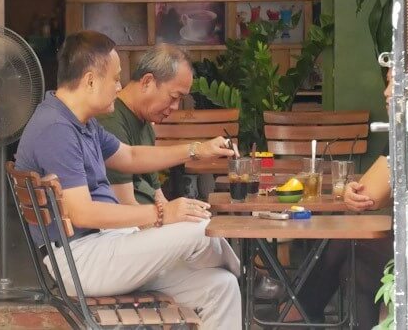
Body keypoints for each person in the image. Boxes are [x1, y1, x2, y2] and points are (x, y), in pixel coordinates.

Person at [14, 31, 241, 330]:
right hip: (82, 260)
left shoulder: (81, 122)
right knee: (199, 228)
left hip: (107, 246)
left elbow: (131, 156)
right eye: (116, 79)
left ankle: (238, 273)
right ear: (91, 80)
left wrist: (196, 149)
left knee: (221, 286)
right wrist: (161, 213)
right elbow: (81, 212)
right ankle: (247, 271)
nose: (120, 87)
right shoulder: (56, 129)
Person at [280, 66, 398, 327]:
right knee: (354, 260)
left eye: (395, 83)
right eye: (388, 83)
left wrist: (356, 195)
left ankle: (300, 308)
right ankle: (302, 308)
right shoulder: (403, 135)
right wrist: (353, 195)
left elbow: (368, 195)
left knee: (349, 246)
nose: (386, 92)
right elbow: (369, 194)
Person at [98, 44, 194, 205]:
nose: (175, 107)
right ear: (147, 82)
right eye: (174, 97)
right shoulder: (110, 120)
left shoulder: (146, 121)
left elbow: (158, 194)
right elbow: (125, 206)